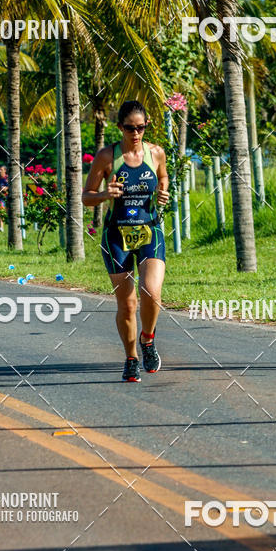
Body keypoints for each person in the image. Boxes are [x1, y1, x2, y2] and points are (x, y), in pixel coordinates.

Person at [82, 100, 169, 382]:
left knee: (151, 292)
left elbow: (163, 177)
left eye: (141, 128)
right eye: (130, 128)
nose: (136, 133)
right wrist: (105, 195)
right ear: (120, 127)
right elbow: (86, 197)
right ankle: (131, 358)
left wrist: (163, 192)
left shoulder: (156, 153)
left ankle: (148, 339)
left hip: (149, 231)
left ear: (146, 126)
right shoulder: (107, 156)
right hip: (116, 235)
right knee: (128, 304)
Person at [0, 165, 9, 233]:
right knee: (2, 211)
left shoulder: (8, 177)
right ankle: (1, 227)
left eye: (1, 169)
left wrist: (6, 188)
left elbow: (12, 185)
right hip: (2, 197)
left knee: (8, 211)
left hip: (9, 197)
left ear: (5, 171)